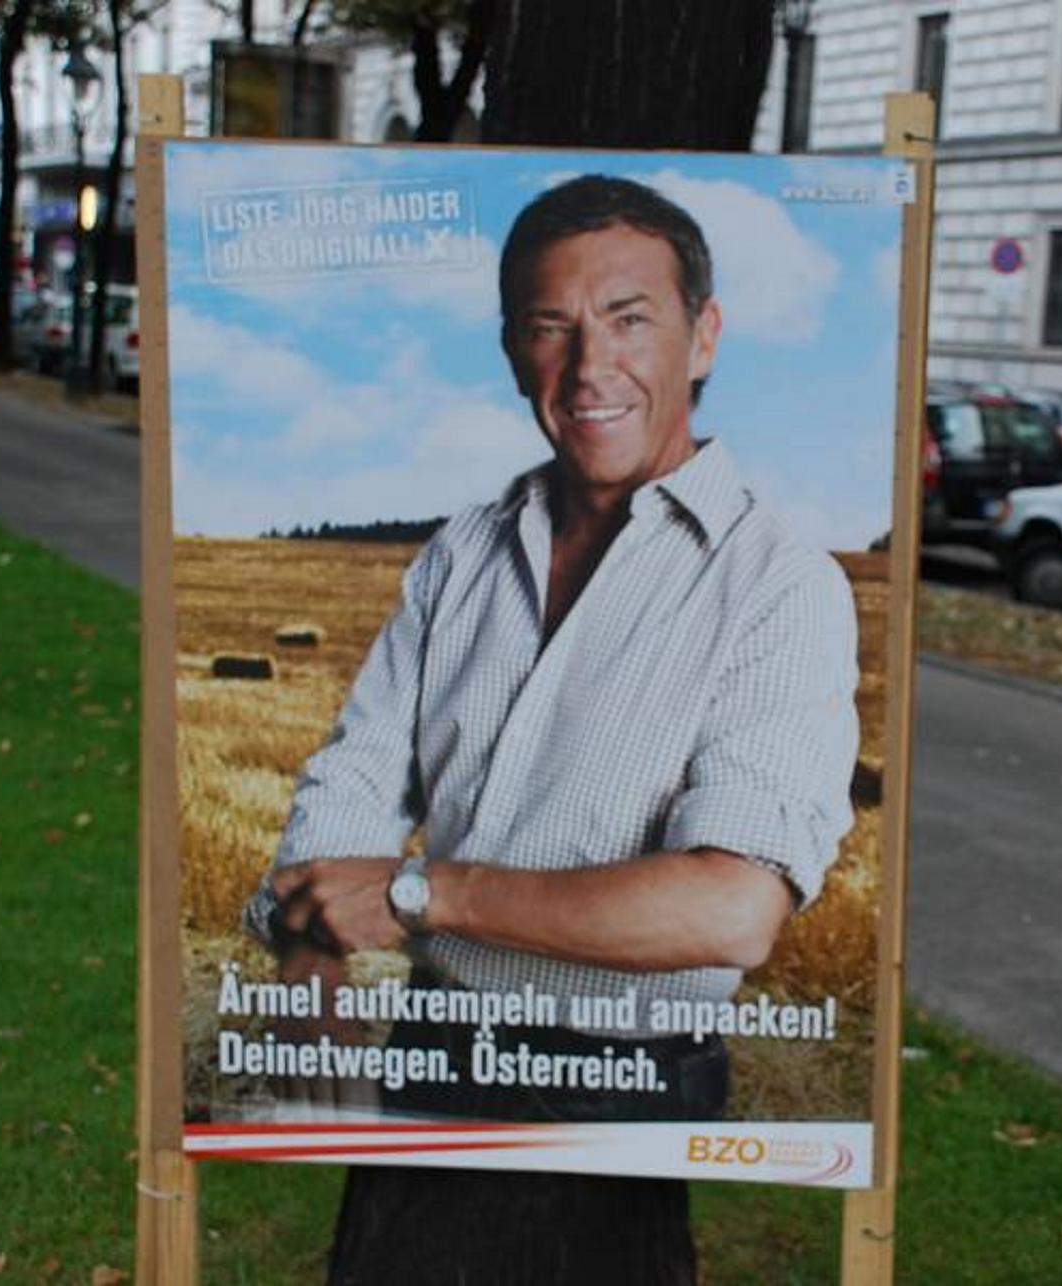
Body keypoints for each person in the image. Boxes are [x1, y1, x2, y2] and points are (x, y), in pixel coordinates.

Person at [241, 174, 861, 1283]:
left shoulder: (780, 586)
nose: (590, 368)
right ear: (511, 348)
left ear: (703, 336)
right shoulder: (464, 553)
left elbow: (733, 905)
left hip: (612, 1111)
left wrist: (421, 894)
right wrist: (307, 952)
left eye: (630, 320)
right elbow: (357, 774)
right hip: (430, 1069)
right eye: (551, 327)